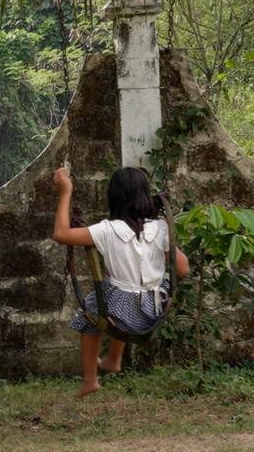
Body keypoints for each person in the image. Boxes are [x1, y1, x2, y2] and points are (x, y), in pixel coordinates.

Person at [51, 165, 189, 399]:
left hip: (123, 314)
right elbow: (183, 268)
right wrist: (156, 273)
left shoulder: (107, 230)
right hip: (153, 309)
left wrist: (66, 191)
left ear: (113, 198)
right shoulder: (161, 228)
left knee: (91, 316)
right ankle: (114, 359)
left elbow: (61, 234)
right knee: (116, 288)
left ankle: (90, 380)